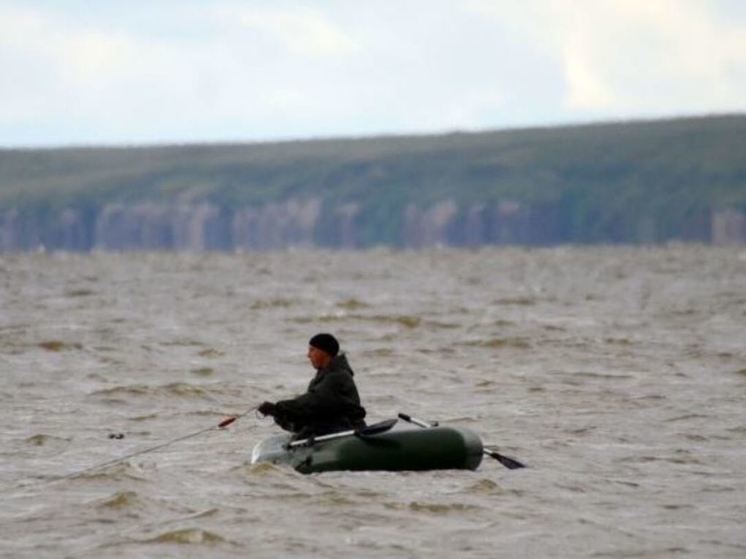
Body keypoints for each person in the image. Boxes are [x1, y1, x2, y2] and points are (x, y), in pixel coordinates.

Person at [257, 333, 366, 439]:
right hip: (332, 428)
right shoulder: (323, 378)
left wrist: (279, 407)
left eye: (312, 350)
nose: (308, 355)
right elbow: (308, 412)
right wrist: (276, 412)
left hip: (346, 429)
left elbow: (314, 401)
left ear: (324, 352)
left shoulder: (338, 377)